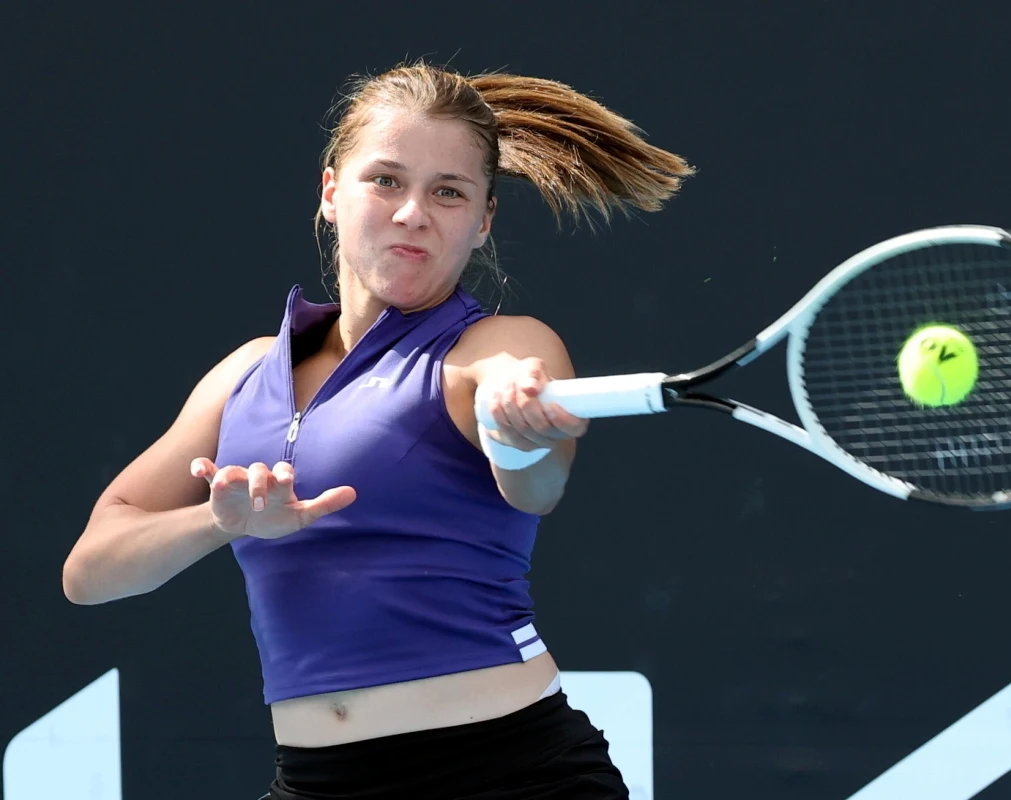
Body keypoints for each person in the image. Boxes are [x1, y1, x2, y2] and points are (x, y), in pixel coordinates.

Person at [62, 61, 693, 799]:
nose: (412, 212)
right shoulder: (245, 375)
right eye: (385, 180)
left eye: (448, 192)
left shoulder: (495, 349)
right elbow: (89, 572)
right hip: (313, 781)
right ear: (332, 192)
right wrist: (219, 521)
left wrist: (515, 425)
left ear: (484, 218)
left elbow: (536, 484)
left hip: (509, 776)